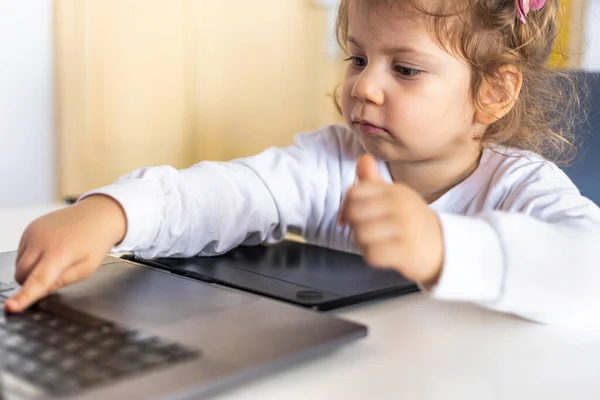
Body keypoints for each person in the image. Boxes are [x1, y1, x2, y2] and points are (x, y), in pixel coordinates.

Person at [7, 0, 600, 325]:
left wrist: (446, 246)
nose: (364, 87)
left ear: (493, 93)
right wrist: (112, 213)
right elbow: (228, 193)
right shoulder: (331, 160)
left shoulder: (520, 185)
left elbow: (586, 274)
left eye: (406, 69)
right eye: (357, 58)